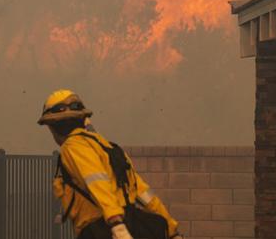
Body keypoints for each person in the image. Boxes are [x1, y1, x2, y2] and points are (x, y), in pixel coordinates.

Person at [38, 89, 184, 239]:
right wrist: (172, 230)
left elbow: (97, 183)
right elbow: (143, 193)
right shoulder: (109, 148)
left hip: (102, 230)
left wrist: (116, 223)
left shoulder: (73, 146)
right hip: (131, 224)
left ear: (54, 126)